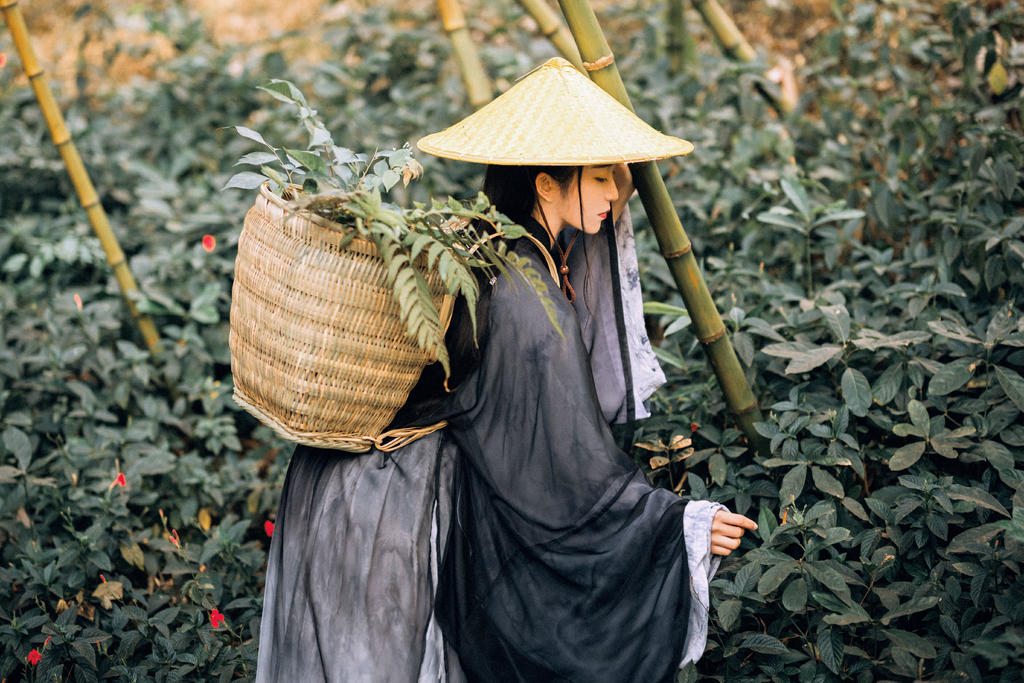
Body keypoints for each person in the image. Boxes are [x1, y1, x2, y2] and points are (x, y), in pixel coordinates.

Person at [255, 57, 756, 683]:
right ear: (545, 185)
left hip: (354, 490)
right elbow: (562, 472)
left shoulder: (504, 248)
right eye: (601, 178)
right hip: (386, 511)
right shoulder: (525, 297)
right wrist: (678, 525)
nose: (614, 196)